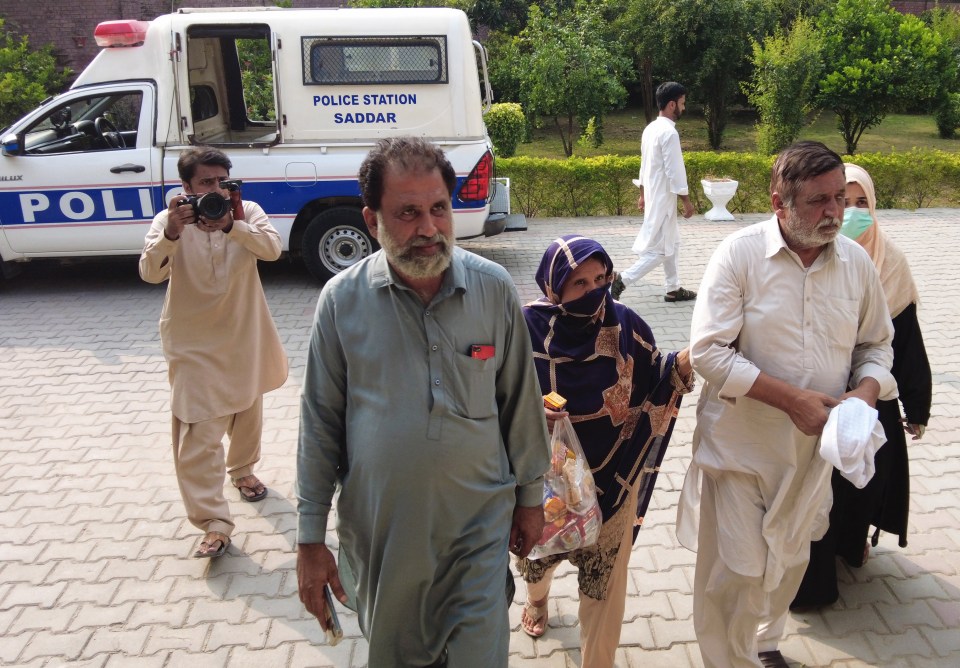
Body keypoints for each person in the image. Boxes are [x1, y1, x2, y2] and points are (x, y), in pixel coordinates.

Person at [295, 136, 551, 668]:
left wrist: (530, 498)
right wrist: (309, 539)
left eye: (438, 208)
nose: (429, 228)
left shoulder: (493, 288)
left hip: (478, 527)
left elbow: (520, 405)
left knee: (481, 653)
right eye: (407, 213)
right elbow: (319, 424)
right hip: (385, 534)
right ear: (372, 220)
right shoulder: (342, 302)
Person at [675, 141, 896, 668]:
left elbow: (877, 345)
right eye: (820, 201)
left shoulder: (856, 265)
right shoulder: (740, 255)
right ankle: (727, 660)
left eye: (840, 198)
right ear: (779, 203)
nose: (835, 213)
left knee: (789, 563)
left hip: (812, 457)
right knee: (739, 569)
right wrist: (791, 400)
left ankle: (764, 644)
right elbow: (707, 351)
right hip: (740, 450)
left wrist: (864, 396)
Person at [516, 235, 693, 667]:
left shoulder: (626, 325)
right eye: (578, 283)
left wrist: (693, 358)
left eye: (601, 278)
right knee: (539, 562)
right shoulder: (523, 330)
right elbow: (495, 395)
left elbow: (657, 374)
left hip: (613, 478)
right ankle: (537, 600)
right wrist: (528, 411)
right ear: (553, 288)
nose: (593, 292)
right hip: (545, 485)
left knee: (605, 583)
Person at [791, 163, 932, 609]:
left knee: (860, 486)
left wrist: (918, 407)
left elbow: (905, 343)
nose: (848, 212)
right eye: (838, 200)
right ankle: (808, 586)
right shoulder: (802, 260)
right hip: (814, 401)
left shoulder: (889, 264)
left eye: (859, 203)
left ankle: (851, 548)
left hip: (869, 401)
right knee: (813, 495)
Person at [139, 147, 288, 559]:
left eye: (223, 180)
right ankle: (214, 523)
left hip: (243, 333)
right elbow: (149, 273)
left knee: (245, 408)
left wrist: (231, 225)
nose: (216, 189)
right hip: (192, 343)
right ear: (185, 187)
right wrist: (171, 231)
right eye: (206, 183)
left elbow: (272, 250)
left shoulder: (246, 210)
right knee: (197, 431)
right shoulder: (170, 221)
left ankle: (242, 471)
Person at [612, 81, 697, 303]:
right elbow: (675, 171)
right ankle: (622, 280)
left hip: (654, 195)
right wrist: (686, 201)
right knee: (660, 250)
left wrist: (642, 194)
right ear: (671, 105)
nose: (684, 108)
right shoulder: (669, 133)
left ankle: (673, 287)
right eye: (682, 103)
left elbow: (644, 165)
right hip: (663, 199)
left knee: (673, 242)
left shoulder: (650, 129)